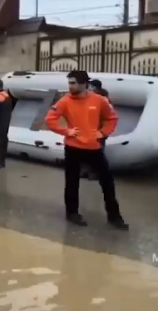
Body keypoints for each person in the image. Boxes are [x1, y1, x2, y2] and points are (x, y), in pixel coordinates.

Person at [45, 70, 128, 229]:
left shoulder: (99, 100)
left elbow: (111, 118)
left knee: (107, 182)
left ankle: (114, 217)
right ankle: (72, 213)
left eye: (73, 83)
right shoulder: (65, 101)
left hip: (93, 147)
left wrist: (103, 133)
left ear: (85, 84)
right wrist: (66, 131)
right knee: (72, 182)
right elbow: (50, 119)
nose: (70, 86)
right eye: (69, 83)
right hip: (73, 147)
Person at [80, 79, 110, 181]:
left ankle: (96, 172)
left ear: (95, 87)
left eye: (91, 86)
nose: (89, 88)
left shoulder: (103, 99)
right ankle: (86, 171)